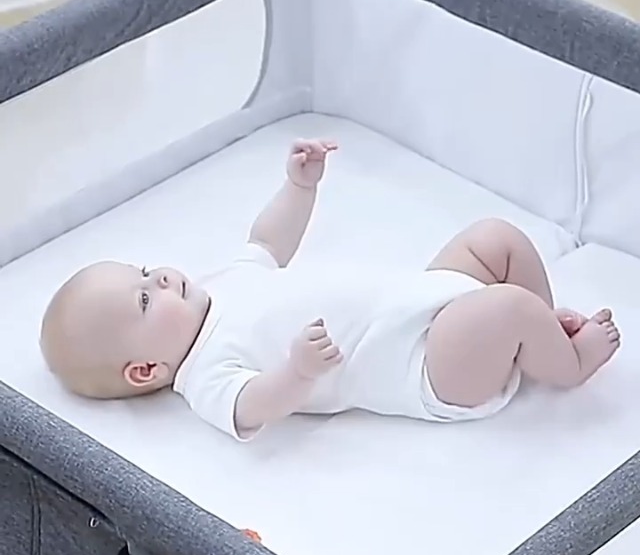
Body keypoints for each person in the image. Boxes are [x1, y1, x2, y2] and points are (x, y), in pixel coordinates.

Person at [40, 138, 620, 441]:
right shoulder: (204, 376)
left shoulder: (225, 285)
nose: (161, 277)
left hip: (423, 296)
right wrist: (296, 372)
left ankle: (542, 331)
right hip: (427, 364)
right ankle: (567, 364)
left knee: (495, 239)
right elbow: (255, 406)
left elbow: (268, 240)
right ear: (145, 369)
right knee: (508, 307)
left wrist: (299, 187)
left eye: (146, 271)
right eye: (145, 298)